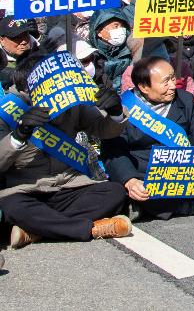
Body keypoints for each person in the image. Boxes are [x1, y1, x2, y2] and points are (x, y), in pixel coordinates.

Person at [0, 53, 132, 248]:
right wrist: (19, 134)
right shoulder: (8, 111)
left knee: (115, 192)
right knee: (12, 207)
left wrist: (115, 113)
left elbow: (103, 129)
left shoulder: (70, 103)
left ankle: (37, 230)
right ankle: (91, 229)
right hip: (26, 190)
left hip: (70, 186)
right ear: (27, 88)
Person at [100, 57, 194, 219]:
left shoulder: (184, 100)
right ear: (143, 87)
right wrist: (129, 180)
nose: (172, 85)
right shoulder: (124, 107)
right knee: (131, 191)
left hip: (184, 170)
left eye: (173, 78)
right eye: (166, 82)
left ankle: (151, 208)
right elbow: (114, 151)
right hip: (144, 172)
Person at [0, 18, 40, 91]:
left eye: (25, 35)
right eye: (16, 37)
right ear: (2, 40)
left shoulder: (43, 50)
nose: (24, 42)